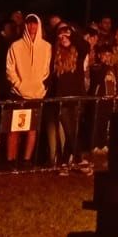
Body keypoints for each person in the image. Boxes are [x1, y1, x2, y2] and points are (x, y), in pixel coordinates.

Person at [0, 13, 50, 164]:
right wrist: (18, 84)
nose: (32, 26)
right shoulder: (16, 46)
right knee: (14, 129)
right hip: (18, 94)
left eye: (34, 23)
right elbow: (10, 69)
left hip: (37, 95)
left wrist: (40, 86)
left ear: (39, 25)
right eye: (29, 23)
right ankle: (10, 160)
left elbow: (46, 69)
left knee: (32, 130)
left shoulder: (47, 47)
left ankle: (26, 160)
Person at [46, 22, 87, 165]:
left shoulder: (78, 52)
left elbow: (85, 45)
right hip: (61, 99)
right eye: (60, 35)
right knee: (69, 131)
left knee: (73, 132)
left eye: (66, 35)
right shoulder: (55, 54)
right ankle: (79, 159)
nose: (63, 37)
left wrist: (70, 31)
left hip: (76, 97)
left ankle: (64, 162)